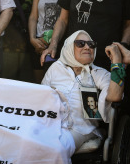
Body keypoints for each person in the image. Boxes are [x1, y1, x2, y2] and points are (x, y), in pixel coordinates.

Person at [42, 30, 125, 159]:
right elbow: (41, 98)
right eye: (80, 43)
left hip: (80, 129)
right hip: (50, 124)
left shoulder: (98, 73)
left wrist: (117, 62)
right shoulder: (55, 68)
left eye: (91, 44)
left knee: (56, 148)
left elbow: (115, 96)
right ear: (69, 47)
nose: (87, 47)